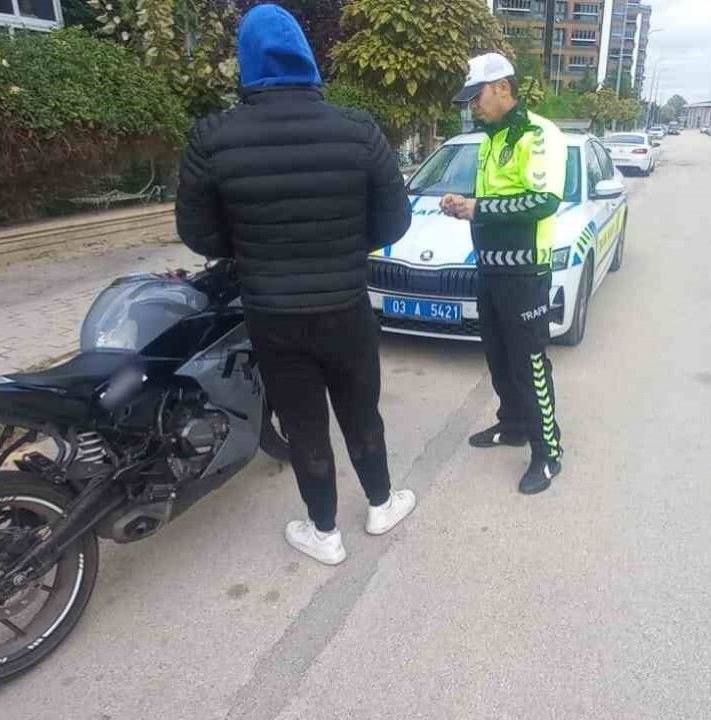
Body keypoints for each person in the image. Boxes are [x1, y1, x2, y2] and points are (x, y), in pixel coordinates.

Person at [174, 4, 415, 565]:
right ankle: (381, 503)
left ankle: (324, 531)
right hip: (346, 305)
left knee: (304, 424)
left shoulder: (214, 137)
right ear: (306, 57)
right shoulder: (357, 130)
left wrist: (252, 247)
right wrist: (345, 244)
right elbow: (395, 221)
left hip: (272, 313)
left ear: (247, 62)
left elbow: (197, 233)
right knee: (361, 410)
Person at [440, 52, 566, 494]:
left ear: (502, 88)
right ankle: (512, 426)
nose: (473, 106)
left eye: (477, 96)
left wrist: (478, 208)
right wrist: (462, 204)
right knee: (498, 358)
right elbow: (493, 200)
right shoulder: (489, 140)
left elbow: (542, 201)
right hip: (489, 271)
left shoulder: (540, 134)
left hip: (526, 274)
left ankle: (548, 453)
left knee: (530, 365)